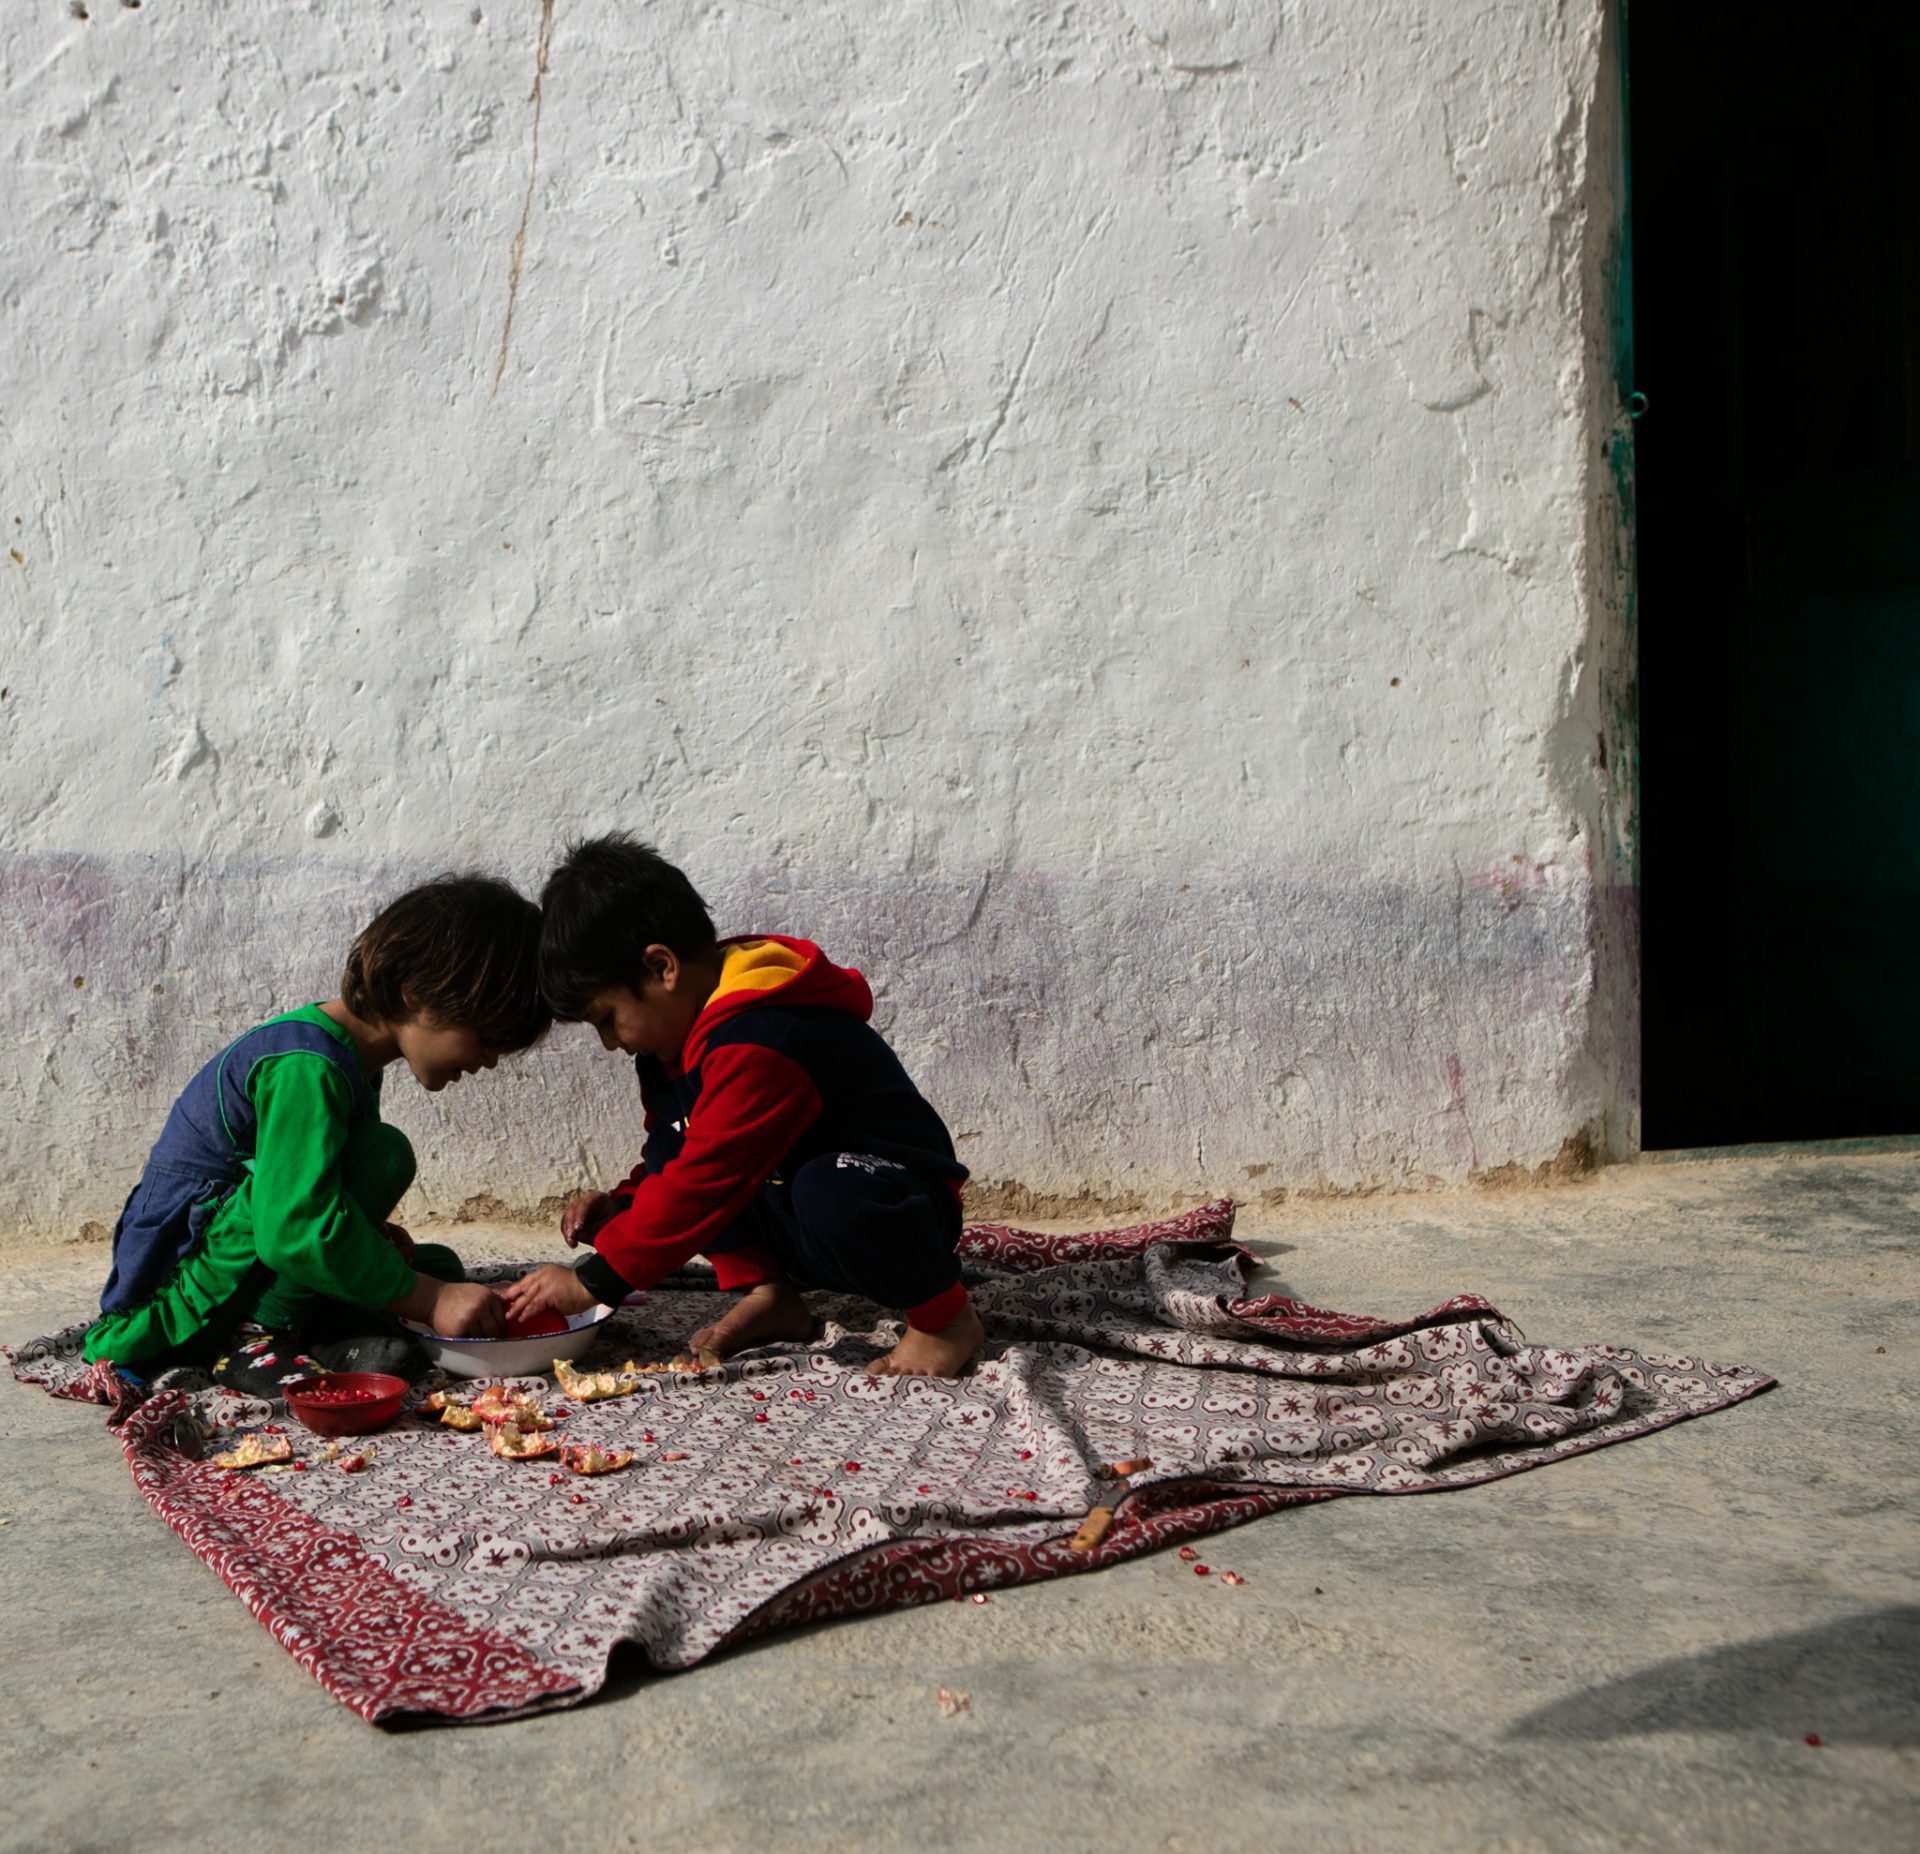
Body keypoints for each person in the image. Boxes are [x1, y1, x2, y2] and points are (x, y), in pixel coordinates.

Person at [502, 834, 982, 1377]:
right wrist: (624, 1209)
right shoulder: (672, 1049)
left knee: (817, 1188)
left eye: (606, 1019)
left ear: (662, 968)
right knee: (696, 1175)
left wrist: (595, 1278)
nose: (611, 1042)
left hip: (892, 1203)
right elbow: (678, 1156)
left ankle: (944, 1318)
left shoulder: (762, 1034)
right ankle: (771, 1292)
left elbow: (710, 1175)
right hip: (796, 1209)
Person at [83, 874, 551, 1391]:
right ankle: (257, 1340)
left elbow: (310, 1187)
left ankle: (313, 1328)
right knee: (387, 1159)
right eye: (486, 1038)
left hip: (251, 1252)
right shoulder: (308, 1067)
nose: (488, 1061)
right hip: (182, 1291)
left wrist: (388, 1250)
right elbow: (293, 1229)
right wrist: (430, 1300)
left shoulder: (350, 1060)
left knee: (440, 1266)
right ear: (415, 993)